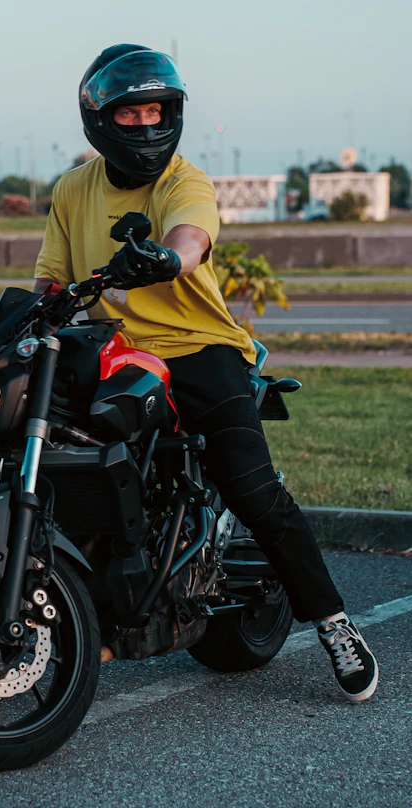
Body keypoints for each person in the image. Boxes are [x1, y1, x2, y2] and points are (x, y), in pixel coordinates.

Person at [34, 43, 378, 702]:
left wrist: (166, 258)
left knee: (253, 489)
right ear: (101, 118)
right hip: (111, 351)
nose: (145, 125)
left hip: (198, 349)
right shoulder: (74, 189)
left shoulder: (184, 181)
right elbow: (52, 277)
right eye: (130, 114)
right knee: (53, 452)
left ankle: (333, 621)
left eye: (156, 111)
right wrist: (37, 305)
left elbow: (191, 237)